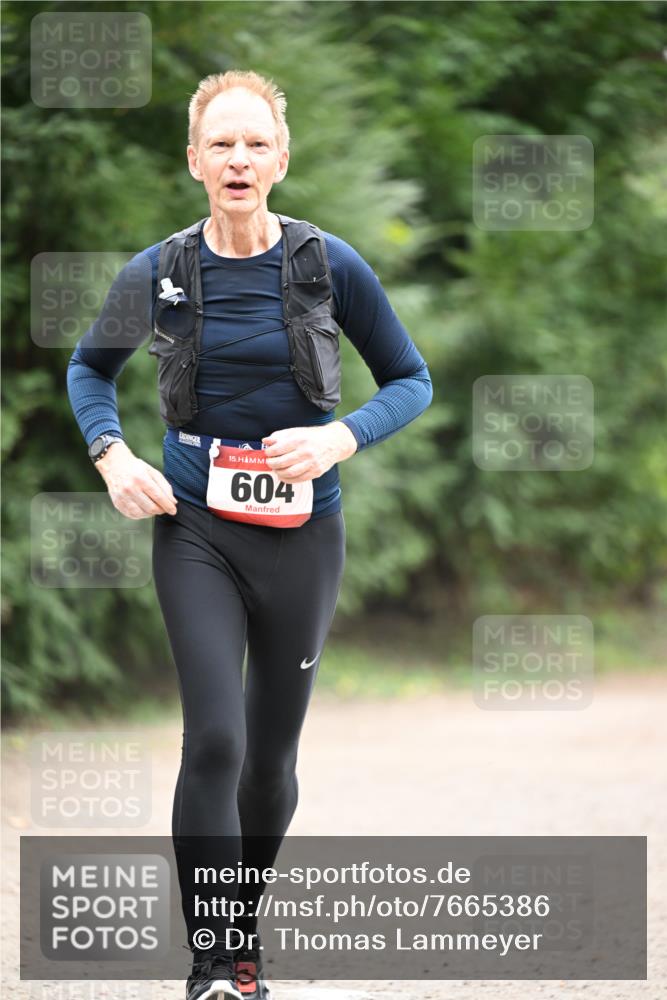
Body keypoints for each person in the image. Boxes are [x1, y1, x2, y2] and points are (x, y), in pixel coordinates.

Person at [67, 70, 432, 1000]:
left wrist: (342, 432)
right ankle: (210, 963)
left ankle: (243, 941)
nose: (237, 159)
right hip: (194, 528)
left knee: (270, 764)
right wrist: (114, 458)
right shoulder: (156, 272)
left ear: (280, 159)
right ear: (193, 161)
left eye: (254, 144)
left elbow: (409, 378)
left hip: (304, 534)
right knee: (215, 743)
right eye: (219, 144)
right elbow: (89, 369)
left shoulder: (326, 264)